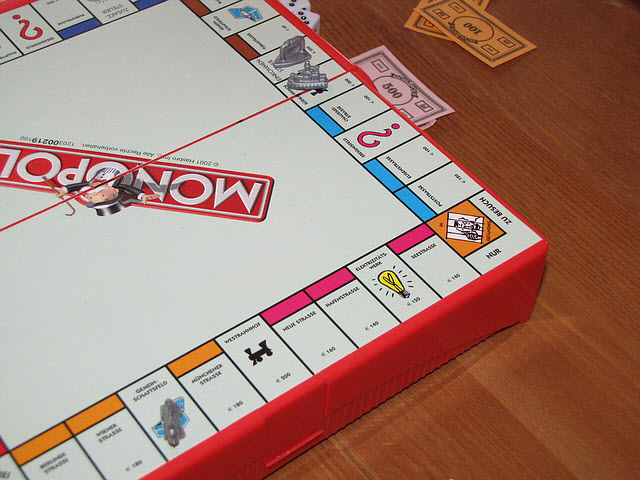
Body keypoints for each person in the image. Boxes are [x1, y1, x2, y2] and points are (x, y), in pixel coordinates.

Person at [55, 166, 159, 216]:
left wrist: (64, 190)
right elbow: (128, 189)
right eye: (104, 197)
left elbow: (78, 186)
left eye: (91, 198)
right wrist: (141, 196)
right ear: (115, 191)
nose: (96, 194)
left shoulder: (89, 186)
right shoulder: (114, 184)